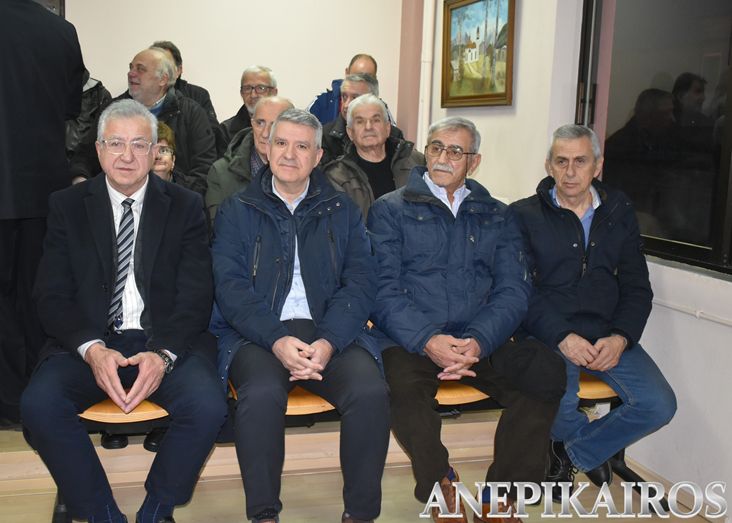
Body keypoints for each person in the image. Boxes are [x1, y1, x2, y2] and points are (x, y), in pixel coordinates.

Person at [20, 99, 227, 523]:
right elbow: (51, 295)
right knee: (40, 404)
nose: (127, 155)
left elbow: (196, 294)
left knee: (208, 405)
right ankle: (101, 512)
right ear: (98, 150)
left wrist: (163, 354)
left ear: (155, 152)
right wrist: (92, 349)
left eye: (139, 144)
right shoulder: (67, 205)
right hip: (91, 342)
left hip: (162, 340)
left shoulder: (185, 205)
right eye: (115, 143)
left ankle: (157, 507)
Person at [368, 116, 565, 522]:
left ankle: (503, 492)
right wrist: (428, 340)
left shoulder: (498, 215)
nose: (443, 157)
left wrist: (478, 341)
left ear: (474, 162)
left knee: (544, 372)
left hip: (484, 340)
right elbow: (381, 290)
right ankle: (440, 482)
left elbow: (514, 290)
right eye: (436, 147)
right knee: (400, 388)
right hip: (412, 339)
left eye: (456, 151)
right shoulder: (389, 210)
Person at [210, 108, 389, 523]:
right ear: (267, 149)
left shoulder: (342, 209)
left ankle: (360, 514)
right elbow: (230, 288)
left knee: (370, 393)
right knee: (260, 394)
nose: (289, 154)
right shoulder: (238, 209)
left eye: (302, 146)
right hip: (257, 334)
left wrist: (329, 341)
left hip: (330, 330)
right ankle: (264, 513)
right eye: (281, 143)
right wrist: (275, 339)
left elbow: (360, 282)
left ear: (318, 156)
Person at [509, 124, 676, 502]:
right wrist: (561, 336)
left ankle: (569, 453)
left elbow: (637, 287)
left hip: (606, 332)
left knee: (659, 404)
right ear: (549, 165)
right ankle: (585, 449)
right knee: (559, 393)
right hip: (548, 333)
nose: (570, 172)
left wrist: (621, 337)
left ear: (597, 166)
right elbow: (520, 291)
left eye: (580, 161)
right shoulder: (522, 215)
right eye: (561, 161)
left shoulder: (619, 211)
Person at [0, 0, 84, 424]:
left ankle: (7, 401)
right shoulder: (60, 31)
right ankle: (38, 397)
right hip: (42, 185)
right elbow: (72, 106)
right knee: (40, 297)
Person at [324, 94, 424, 218]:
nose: (368, 127)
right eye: (360, 122)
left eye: (376, 120)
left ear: (387, 128)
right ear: (350, 132)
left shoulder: (417, 162)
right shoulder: (336, 176)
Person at [206, 96, 293, 222]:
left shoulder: (305, 171)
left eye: (275, 125)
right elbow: (219, 228)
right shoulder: (221, 173)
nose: (265, 133)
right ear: (252, 124)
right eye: (260, 123)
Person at [321, 73, 403, 166]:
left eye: (355, 98)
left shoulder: (393, 135)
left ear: (373, 99)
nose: (346, 105)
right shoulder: (326, 136)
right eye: (344, 97)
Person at [152, 40, 218, 123]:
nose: (158, 70)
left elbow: (212, 129)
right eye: (153, 65)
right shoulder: (137, 95)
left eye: (165, 65)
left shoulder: (197, 96)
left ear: (178, 70)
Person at [218, 66, 278, 152]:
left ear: (274, 92)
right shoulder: (225, 131)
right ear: (241, 94)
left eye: (260, 88)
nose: (253, 95)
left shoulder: (288, 125)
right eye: (247, 89)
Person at [308, 53, 378, 124]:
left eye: (368, 78)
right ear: (347, 73)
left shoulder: (380, 110)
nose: (362, 82)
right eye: (356, 77)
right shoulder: (322, 102)